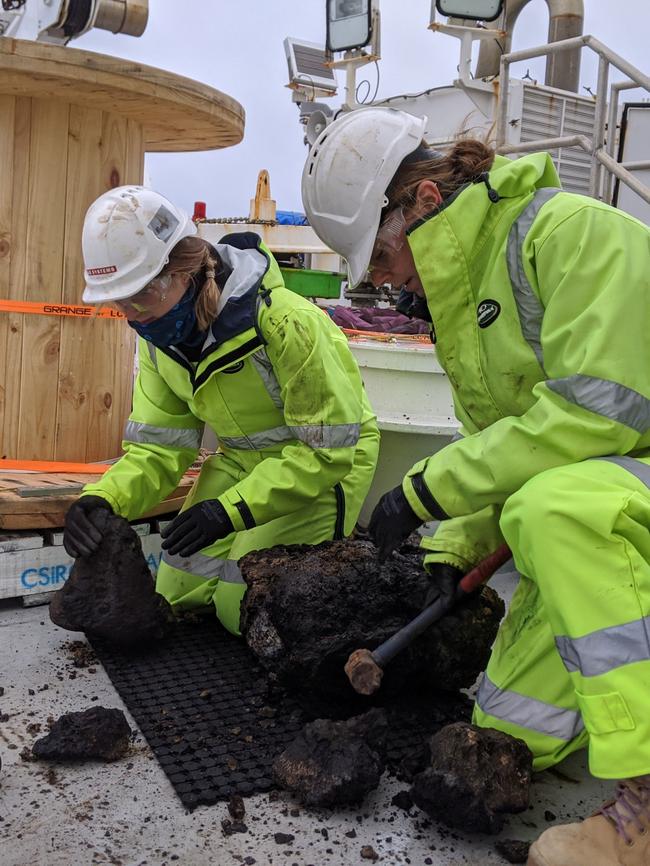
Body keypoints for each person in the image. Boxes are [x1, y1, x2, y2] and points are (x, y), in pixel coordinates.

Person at [302, 107, 650, 866]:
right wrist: (451, 548)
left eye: (382, 259)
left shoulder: (576, 235)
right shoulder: (467, 300)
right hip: (616, 505)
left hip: (616, 496)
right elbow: (506, 448)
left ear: (423, 202)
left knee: (552, 506)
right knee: (508, 736)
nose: (385, 281)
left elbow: (592, 421)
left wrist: (423, 493)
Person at [63, 185, 379, 636]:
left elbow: (328, 454)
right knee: (176, 593)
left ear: (184, 271)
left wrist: (228, 512)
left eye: (141, 295)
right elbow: (158, 450)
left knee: (242, 607)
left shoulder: (286, 324)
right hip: (243, 463)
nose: (135, 315)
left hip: (321, 468)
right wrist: (102, 499)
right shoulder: (161, 345)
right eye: (121, 304)